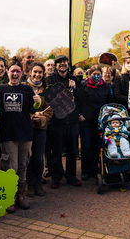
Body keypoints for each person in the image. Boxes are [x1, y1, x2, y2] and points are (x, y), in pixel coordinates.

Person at [0, 57, 41, 212]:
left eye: (17, 71)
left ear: (21, 73)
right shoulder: (0, 89)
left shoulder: (27, 89)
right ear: (8, 73)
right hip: (8, 134)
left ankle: (20, 196)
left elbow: (32, 110)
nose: (15, 73)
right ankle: (8, 197)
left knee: (23, 166)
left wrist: (37, 102)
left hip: (25, 134)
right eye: (12, 71)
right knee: (10, 167)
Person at [46, 55, 82, 188]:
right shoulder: (50, 79)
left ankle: (71, 176)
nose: (62, 64)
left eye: (65, 62)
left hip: (72, 121)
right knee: (57, 151)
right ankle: (56, 176)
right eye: (60, 62)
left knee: (72, 151)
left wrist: (75, 88)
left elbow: (79, 99)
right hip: (57, 121)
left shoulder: (74, 79)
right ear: (56, 66)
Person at [78, 65, 113, 180]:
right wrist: (79, 114)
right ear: (89, 74)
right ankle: (85, 170)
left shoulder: (105, 87)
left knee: (96, 146)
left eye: (99, 74)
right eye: (94, 74)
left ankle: (94, 168)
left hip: (99, 122)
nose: (97, 76)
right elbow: (77, 101)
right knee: (86, 147)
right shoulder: (83, 85)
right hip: (86, 121)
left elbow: (109, 102)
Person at [25, 62, 53, 197]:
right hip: (26, 128)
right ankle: (29, 183)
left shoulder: (47, 90)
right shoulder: (24, 88)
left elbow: (50, 110)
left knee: (38, 157)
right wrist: (31, 116)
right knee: (28, 157)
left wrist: (42, 118)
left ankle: (37, 182)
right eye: (35, 72)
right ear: (30, 72)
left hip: (41, 128)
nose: (37, 75)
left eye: (40, 72)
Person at [113, 57, 130, 126]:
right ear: (124, 64)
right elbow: (117, 95)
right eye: (128, 62)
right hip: (124, 110)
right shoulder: (119, 77)